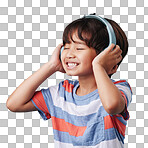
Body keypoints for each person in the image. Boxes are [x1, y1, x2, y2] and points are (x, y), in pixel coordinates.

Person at [6, 13, 132, 148]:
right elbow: (14, 104)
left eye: (79, 48)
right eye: (66, 47)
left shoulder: (120, 89)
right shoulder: (61, 93)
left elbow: (112, 106)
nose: (69, 54)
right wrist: (51, 66)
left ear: (109, 58)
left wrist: (99, 66)